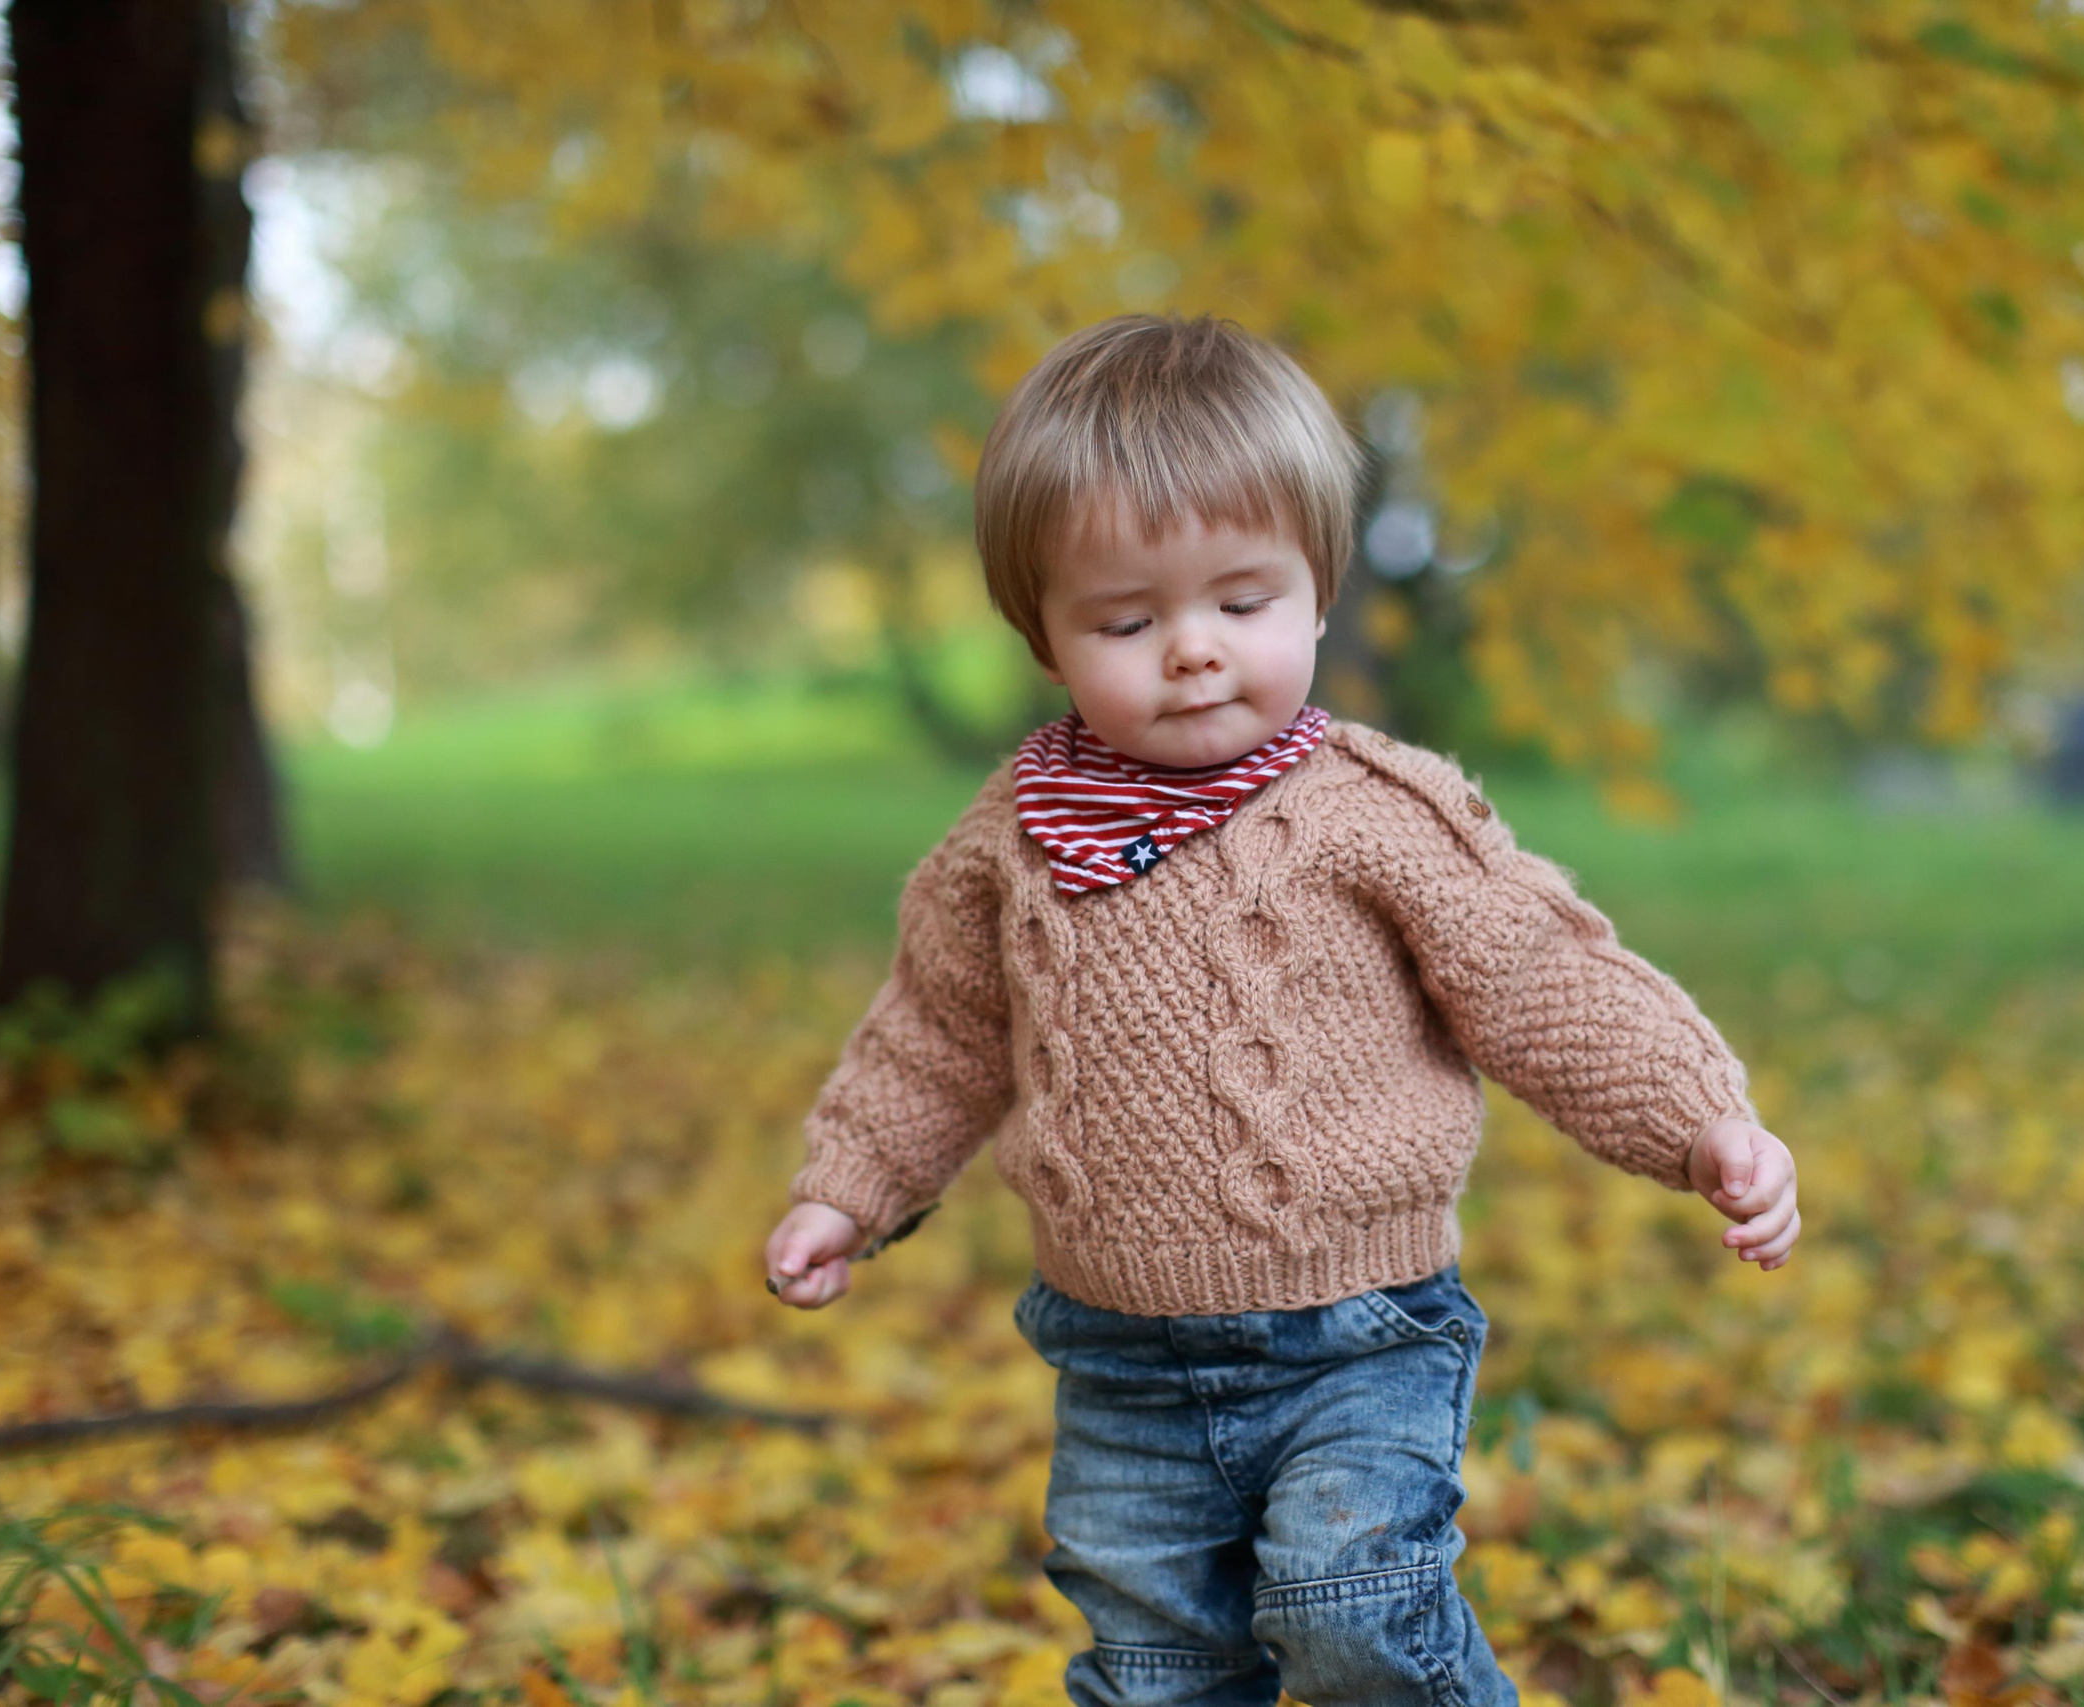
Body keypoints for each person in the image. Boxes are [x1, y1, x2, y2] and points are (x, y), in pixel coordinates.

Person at [761, 311, 1800, 1707]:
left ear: (1318, 594)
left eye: (1240, 603)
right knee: (1154, 1669)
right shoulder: (1010, 840)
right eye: (1129, 621)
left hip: (1358, 1333)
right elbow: (938, 1037)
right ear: (1046, 638)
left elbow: (1534, 972)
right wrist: (851, 1187)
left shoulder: (1372, 811)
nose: (1192, 650)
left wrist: (1701, 1119)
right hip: (1118, 1357)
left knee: (1347, 1605)